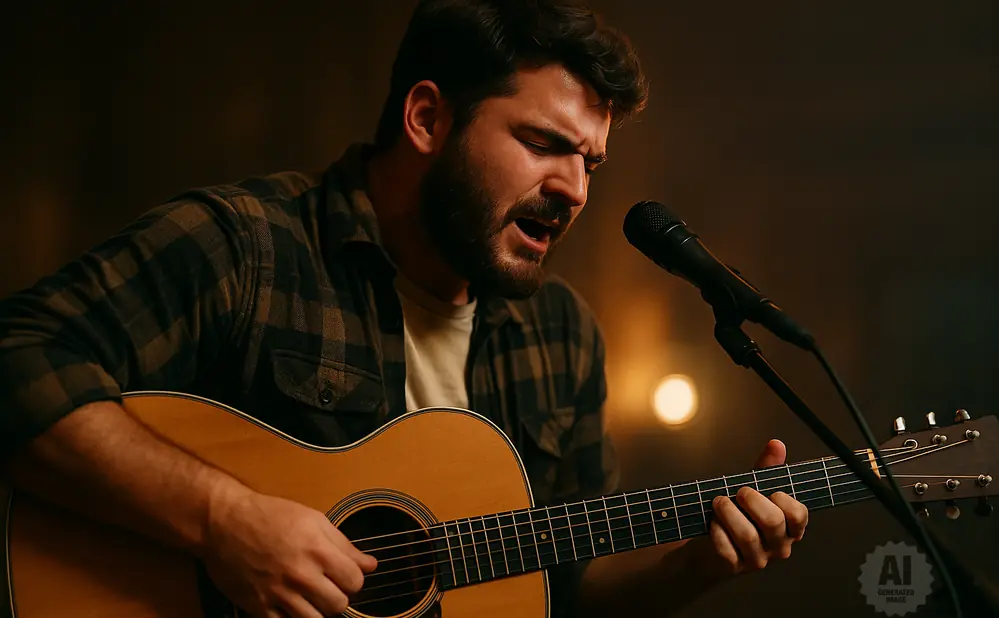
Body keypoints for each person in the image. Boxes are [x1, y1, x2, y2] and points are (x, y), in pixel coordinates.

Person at [0, 0, 809, 616]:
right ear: (427, 118)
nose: (575, 189)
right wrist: (222, 520)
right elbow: (17, 357)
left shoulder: (561, 335)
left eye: (590, 162)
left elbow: (561, 590)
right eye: (543, 144)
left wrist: (694, 563)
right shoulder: (249, 247)